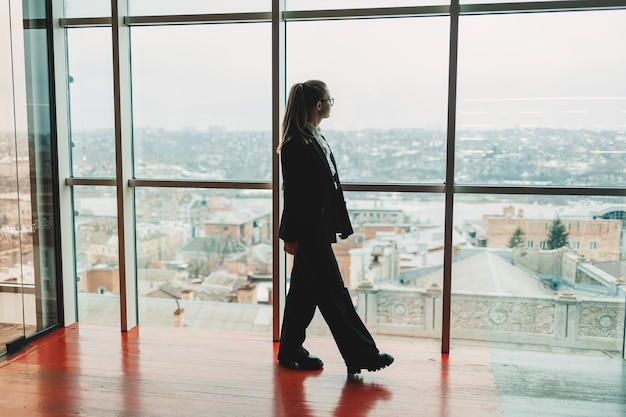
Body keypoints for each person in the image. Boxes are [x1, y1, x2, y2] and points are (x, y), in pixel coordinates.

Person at [276, 80, 394, 375]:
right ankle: (362, 355)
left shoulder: (315, 137)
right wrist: (289, 235)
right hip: (308, 233)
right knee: (334, 294)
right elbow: (292, 193)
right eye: (330, 100)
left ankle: (290, 350)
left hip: (316, 230)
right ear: (318, 105)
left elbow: (327, 189)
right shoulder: (296, 144)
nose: (331, 104)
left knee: (303, 296)